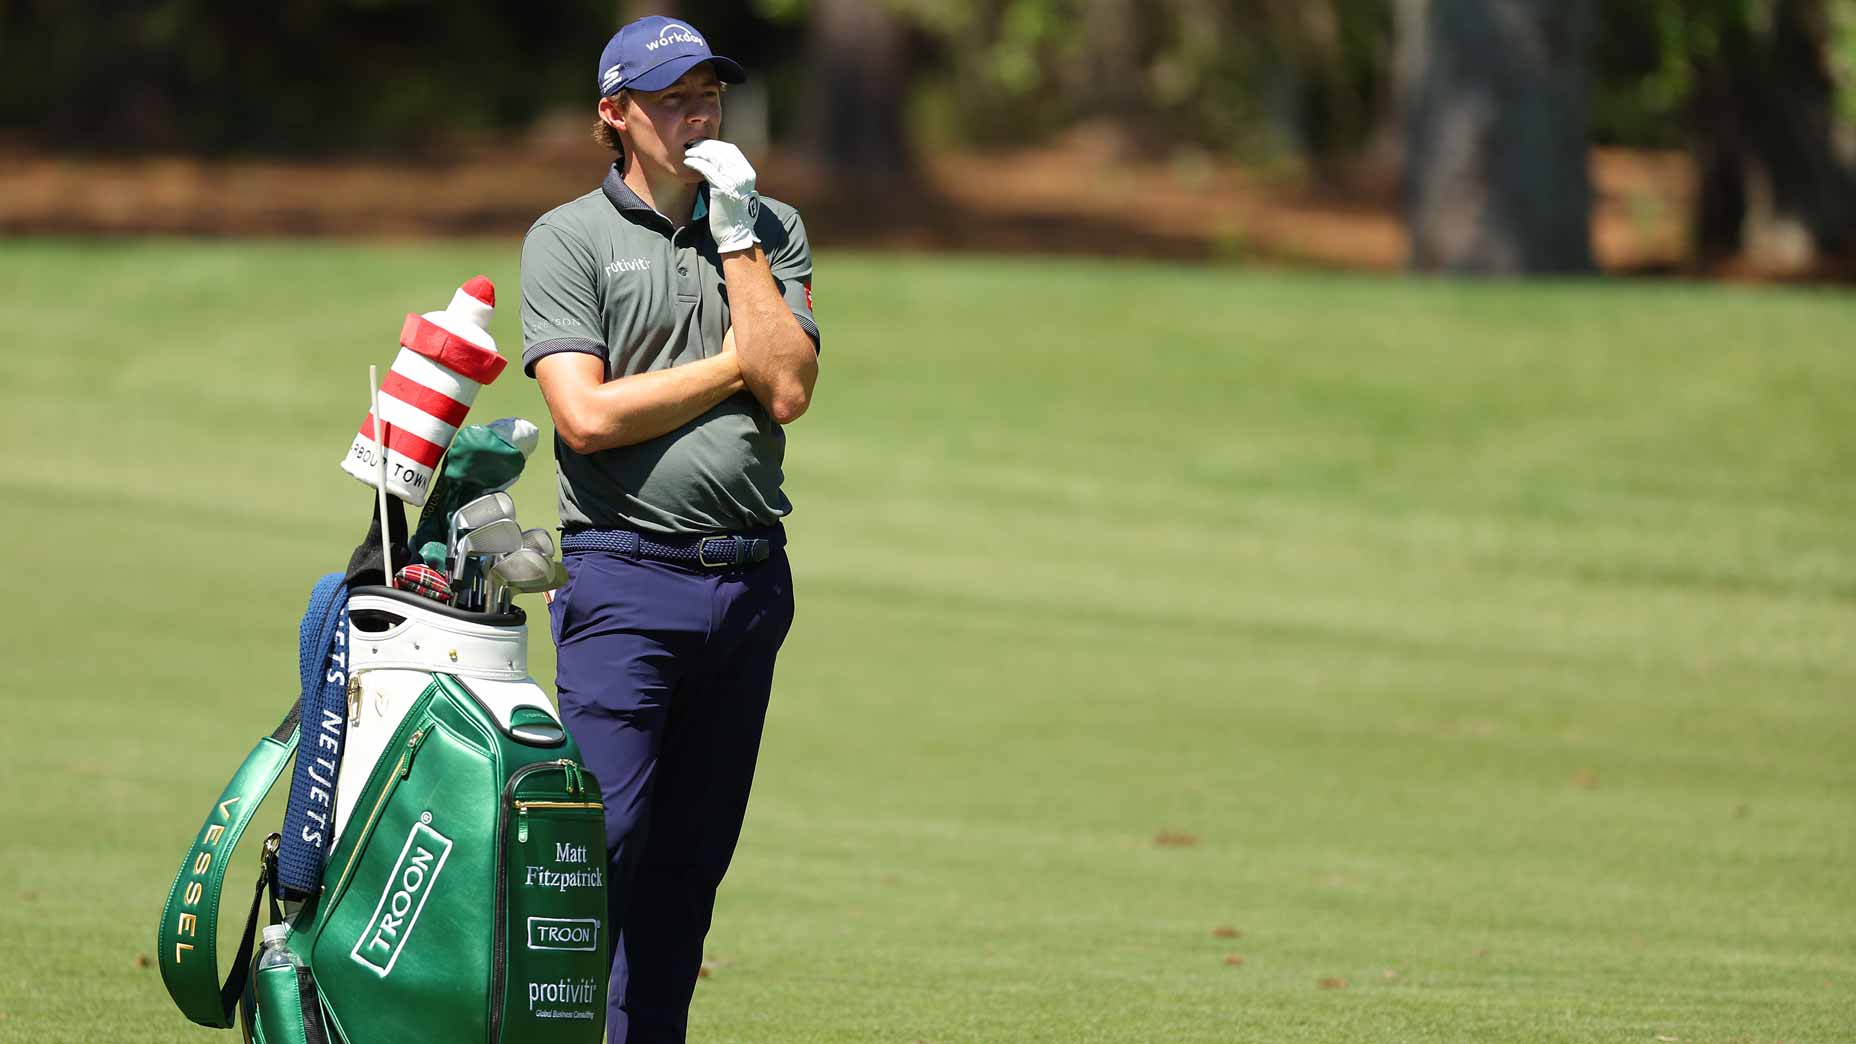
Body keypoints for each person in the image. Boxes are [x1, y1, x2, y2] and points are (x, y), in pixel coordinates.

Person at [518, 15, 820, 1044]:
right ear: (615, 114)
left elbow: (786, 387)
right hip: (623, 578)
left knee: (689, 870)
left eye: (708, 95)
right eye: (672, 99)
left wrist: (735, 234)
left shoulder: (769, 225)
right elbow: (586, 416)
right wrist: (733, 362)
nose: (697, 114)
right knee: (602, 850)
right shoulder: (568, 238)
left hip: (746, 585)